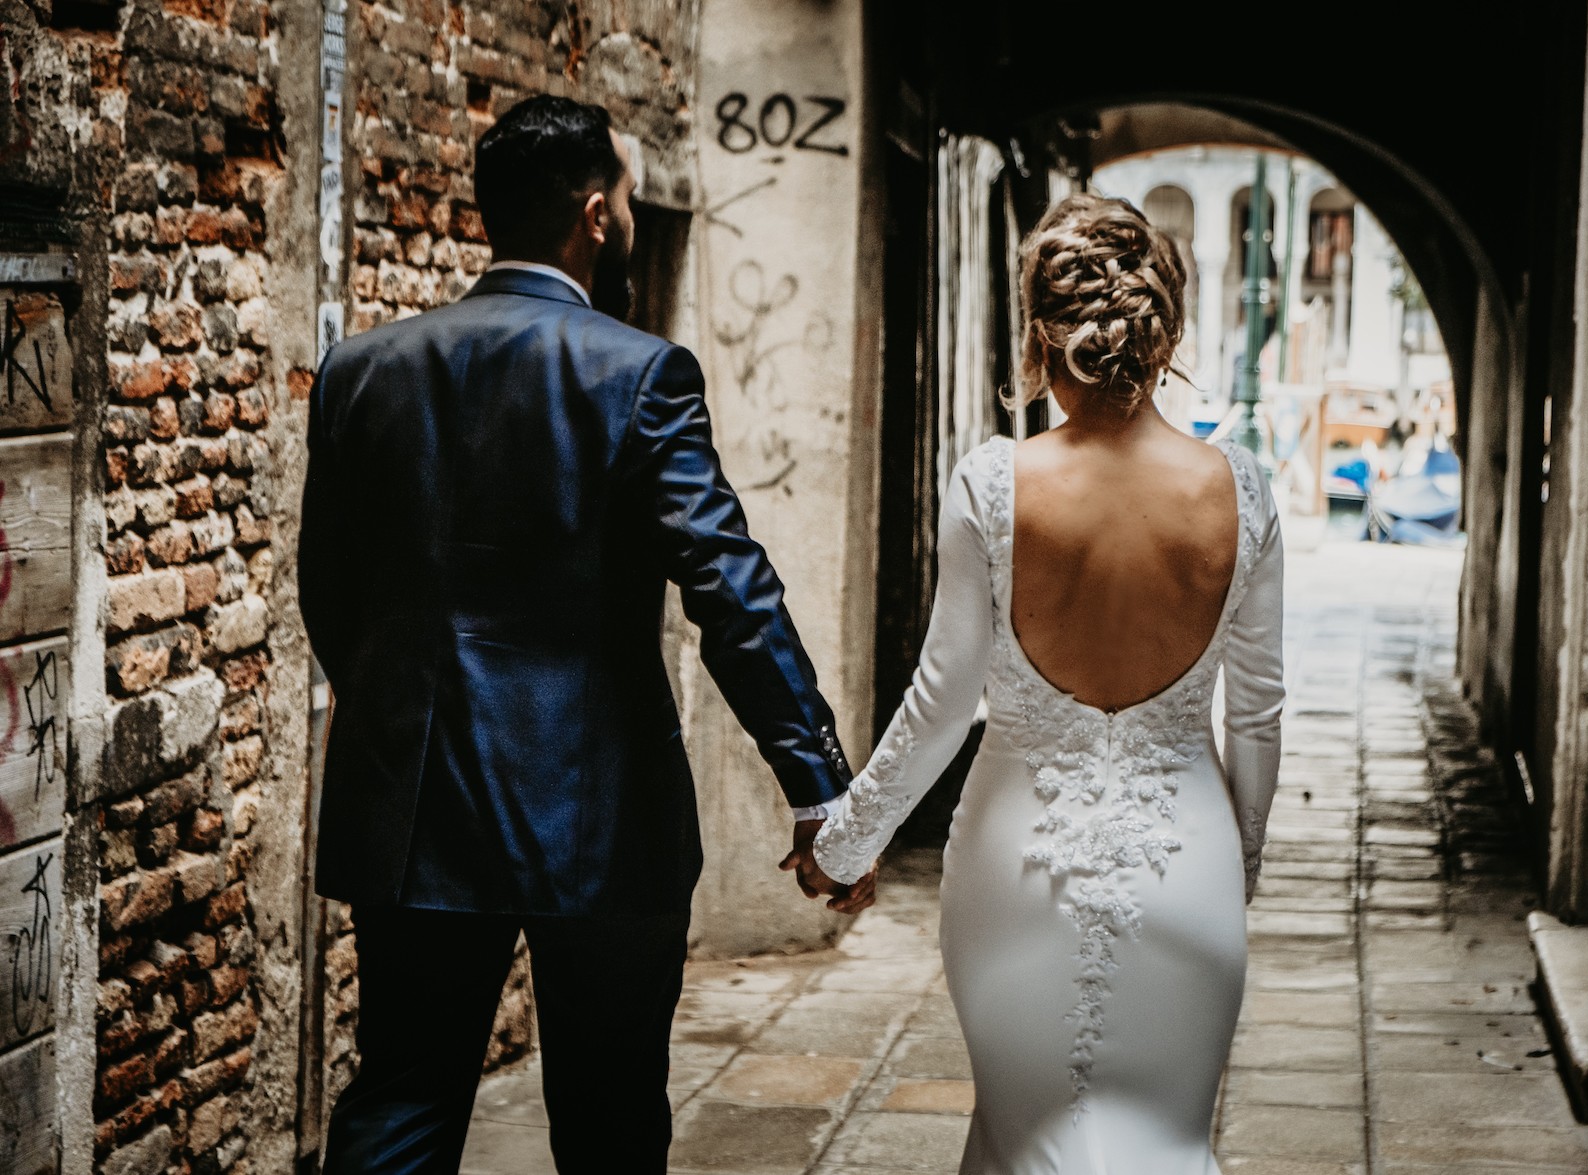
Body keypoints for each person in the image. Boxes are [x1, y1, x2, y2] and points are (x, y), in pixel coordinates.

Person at [299, 95, 874, 1175]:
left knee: (405, 1093)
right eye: (627, 195)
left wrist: (399, 714)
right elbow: (729, 587)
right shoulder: (640, 373)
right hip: (598, 810)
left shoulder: (360, 369)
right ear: (598, 217)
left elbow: (329, 594)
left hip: (414, 800)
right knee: (610, 1115)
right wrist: (816, 784)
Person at [806, 192, 1285, 1173]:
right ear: (1163, 325)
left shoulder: (992, 483)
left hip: (1017, 874)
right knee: (1167, 1145)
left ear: (1039, 334)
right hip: (1186, 865)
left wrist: (845, 842)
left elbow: (940, 701)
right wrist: (1235, 860)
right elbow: (1261, 715)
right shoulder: (1241, 489)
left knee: (1026, 1139)